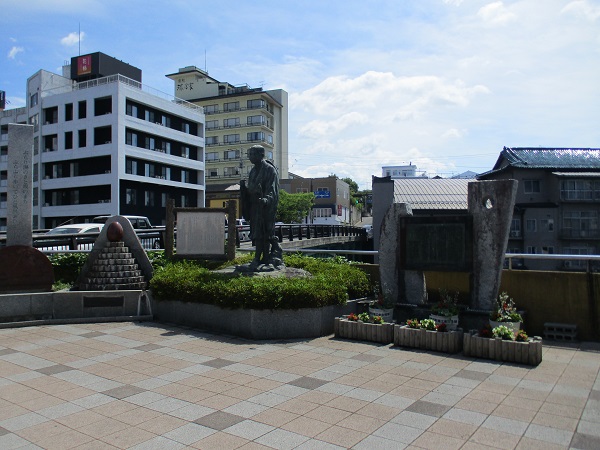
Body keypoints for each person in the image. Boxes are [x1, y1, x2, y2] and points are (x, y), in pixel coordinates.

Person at [240, 145, 283, 270]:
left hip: (266, 207)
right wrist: (244, 188)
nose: (250, 157)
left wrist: (266, 199)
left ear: (261, 155)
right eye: (250, 154)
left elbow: (273, 189)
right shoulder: (253, 171)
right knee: (257, 233)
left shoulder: (270, 170)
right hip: (255, 206)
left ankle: (263, 258)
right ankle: (259, 258)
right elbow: (252, 190)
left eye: (253, 154)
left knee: (265, 233)